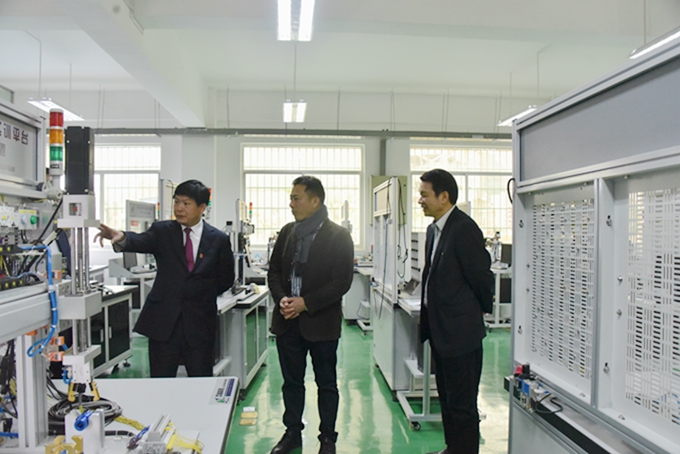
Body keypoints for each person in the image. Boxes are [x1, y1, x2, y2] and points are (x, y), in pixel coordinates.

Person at [94, 179, 234, 377]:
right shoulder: (162, 231)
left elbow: (226, 278)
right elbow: (141, 240)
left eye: (186, 203)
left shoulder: (218, 239)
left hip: (199, 324)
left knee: (201, 380)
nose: (179, 208)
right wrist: (122, 237)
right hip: (163, 323)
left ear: (202, 207)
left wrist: (200, 293)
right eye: (176, 202)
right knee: (160, 381)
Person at [268, 176, 354, 454]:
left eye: (296, 198)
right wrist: (282, 298)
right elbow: (274, 272)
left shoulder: (339, 236)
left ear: (315, 201)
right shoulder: (287, 232)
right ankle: (292, 432)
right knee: (292, 383)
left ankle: (327, 438)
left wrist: (306, 303)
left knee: (326, 384)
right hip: (287, 322)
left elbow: (341, 281)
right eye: (291, 198)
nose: (291, 204)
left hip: (321, 323)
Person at [418, 169, 494, 454]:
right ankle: (453, 449)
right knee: (447, 400)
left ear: (444, 196)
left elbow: (482, 278)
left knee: (463, 405)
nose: (420, 200)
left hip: (461, 334)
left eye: (424, 194)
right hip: (440, 332)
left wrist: (475, 313)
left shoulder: (464, 229)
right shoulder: (433, 230)